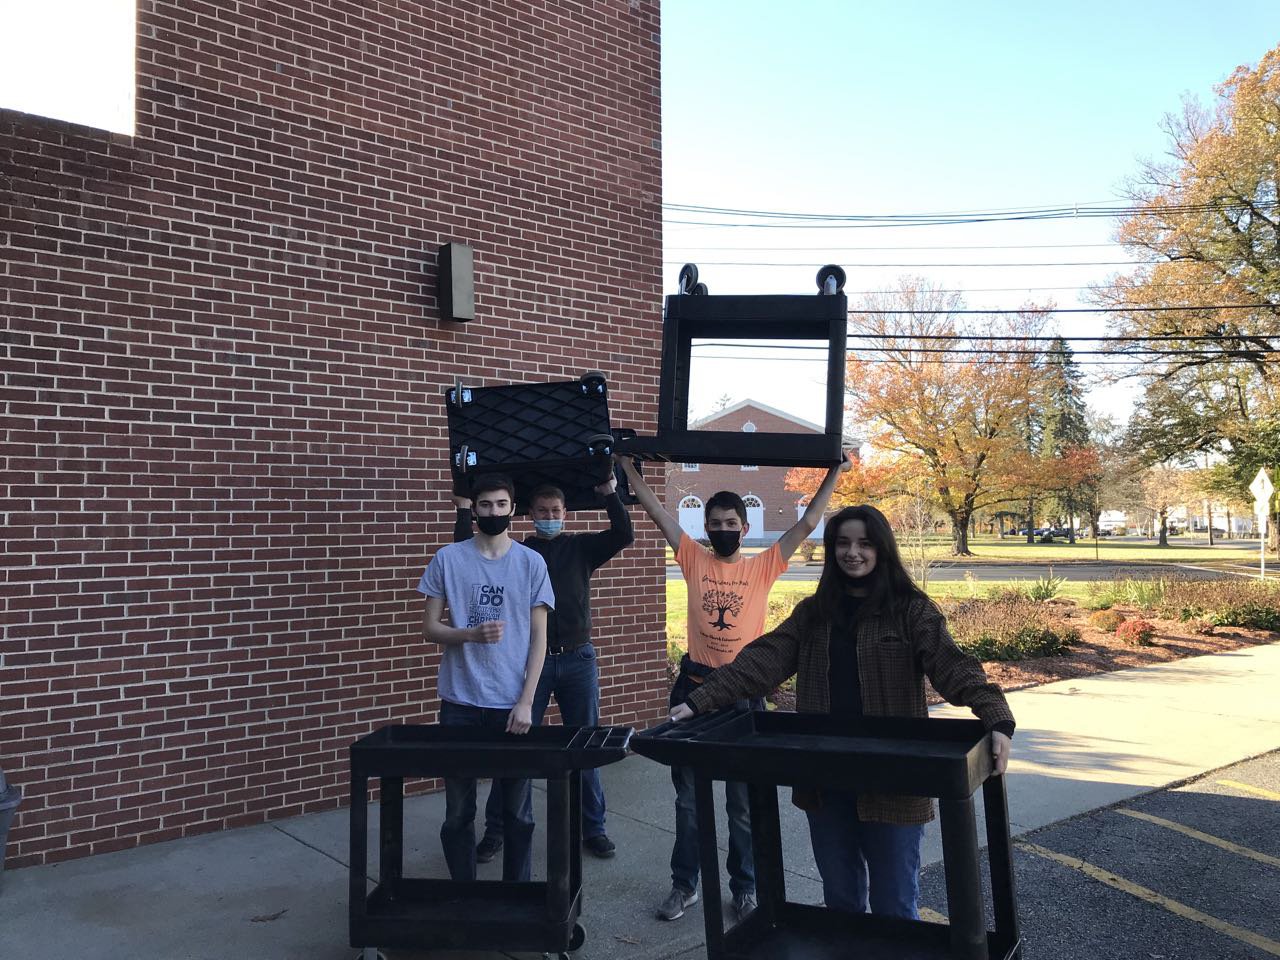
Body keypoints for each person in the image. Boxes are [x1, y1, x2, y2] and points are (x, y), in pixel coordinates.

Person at [669, 504, 1015, 920]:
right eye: (843, 544)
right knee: (842, 904)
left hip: (894, 782)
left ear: (882, 549)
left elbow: (952, 665)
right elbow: (760, 662)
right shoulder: (813, 615)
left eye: (864, 544)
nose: (853, 553)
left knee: (895, 906)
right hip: (826, 781)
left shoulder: (911, 611)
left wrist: (996, 716)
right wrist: (696, 701)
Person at [618, 454, 850, 922]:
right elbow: (657, 511)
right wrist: (629, 471)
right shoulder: (693, 557)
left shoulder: (763, 567)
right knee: (687, 800)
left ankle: (744, 888)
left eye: (730, 522)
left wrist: (835, 473)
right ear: (705, 530)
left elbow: (806, 522)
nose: (721, 529)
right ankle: (684, 885)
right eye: (714, 524)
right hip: (692, 689)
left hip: (742, 694)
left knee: (740, 804)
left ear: (744, 529)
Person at [454, 474, 634, 862]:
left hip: (577, 660)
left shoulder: (583, 548)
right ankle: (497, 830)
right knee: (513, 748)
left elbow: (622, 534)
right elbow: (464, 549)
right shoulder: (518, 555)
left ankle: (594, 828)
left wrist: (609, 493)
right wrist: (464, 509)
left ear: (565, 514)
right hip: (529, 662)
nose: (549, 516)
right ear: (529, 515)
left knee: (585, 744)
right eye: (542, 511)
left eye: (555, 511)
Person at [417, 472, 553, 883]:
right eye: (484, 505)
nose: (492, 512)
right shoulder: (448, 558)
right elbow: (430, 628)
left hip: (510, 705)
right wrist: (469, 634)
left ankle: (518, 893)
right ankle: (464, 892)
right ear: (473, 509)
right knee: (458, 811)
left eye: (500, 505)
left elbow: (539, 641)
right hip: (459, 703)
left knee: (517, 812)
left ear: (513, 509)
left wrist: (527, 701)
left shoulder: (531, 563)